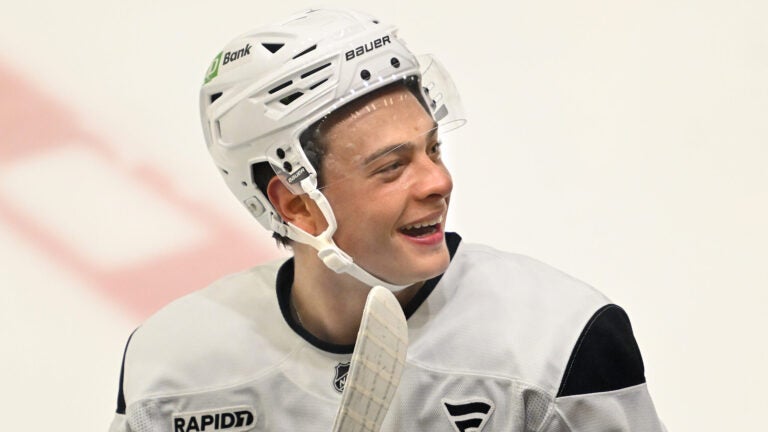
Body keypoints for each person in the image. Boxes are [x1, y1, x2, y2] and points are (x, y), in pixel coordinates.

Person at [110, 8, 665, 432]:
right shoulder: (171, 367)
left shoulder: (559, 341)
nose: (437, 182)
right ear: (295, 203)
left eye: (433, 150)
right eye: (392, 166)